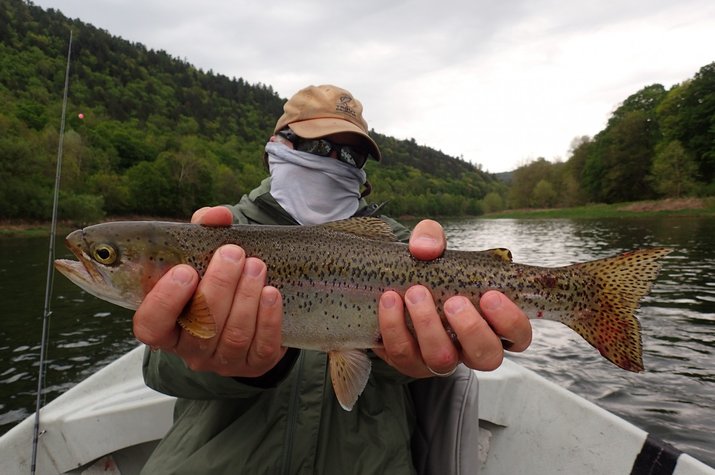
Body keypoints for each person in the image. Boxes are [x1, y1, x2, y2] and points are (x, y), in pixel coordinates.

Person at [133, 84, 532, 474]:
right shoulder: (216, 237)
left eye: (352, 155)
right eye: (320, 147)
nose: (336, 159)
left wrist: (419, 359)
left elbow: (413, 367)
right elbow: (158, 370)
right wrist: (234, 360)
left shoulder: (404, 250)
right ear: (276, 145)